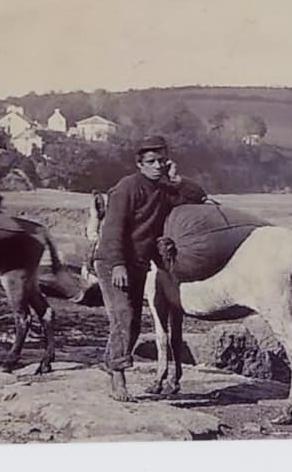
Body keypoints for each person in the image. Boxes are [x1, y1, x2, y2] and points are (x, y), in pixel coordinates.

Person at [92, 135, 207, 401]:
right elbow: (113, 230)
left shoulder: (165, 189)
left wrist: (177, 179)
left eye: (162, 161)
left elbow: (199, 197)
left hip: (139, 264)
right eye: (152, 161)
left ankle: (111, 362)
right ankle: (118, 379)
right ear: (140, 163)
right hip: (112, 261)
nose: (157, 166)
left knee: (132, 322)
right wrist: (118, 265)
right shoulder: (127, 188)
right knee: (123, 316)